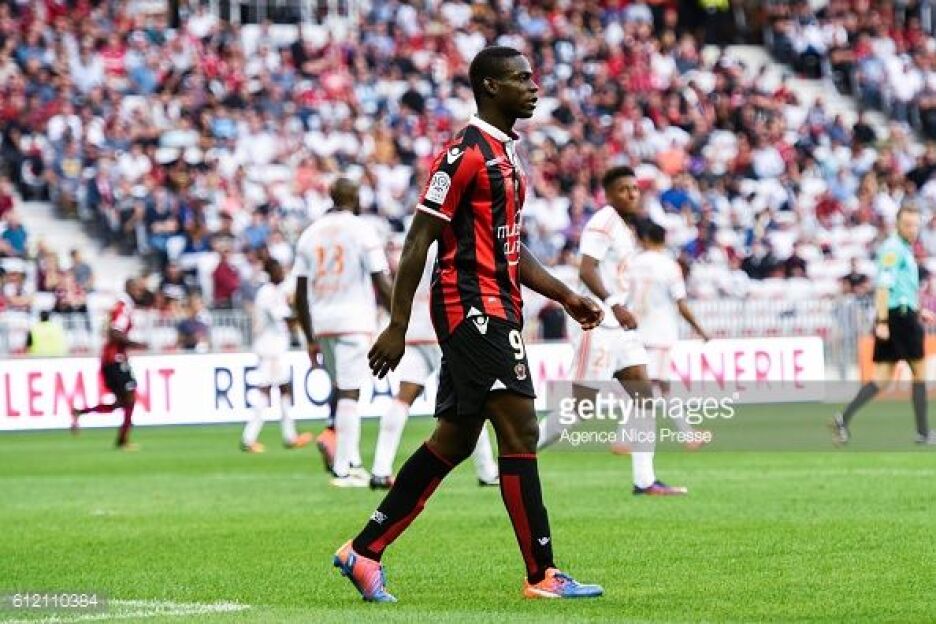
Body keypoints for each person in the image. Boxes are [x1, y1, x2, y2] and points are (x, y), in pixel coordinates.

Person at [333, 46, 605, 602]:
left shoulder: (505, 155)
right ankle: (543, 573)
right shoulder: (463, 155)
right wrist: (397, 324)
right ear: (489, 86)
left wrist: (566, 295)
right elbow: (419, 238)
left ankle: (364, 551)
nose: (533, 87)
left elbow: (509, 248)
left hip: (496, 305)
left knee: (454, 440)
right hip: (474, 309)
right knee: (521, 430)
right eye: (521, 78)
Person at [538, 167, 688, 495]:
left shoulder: (624, 227)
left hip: (619, 328)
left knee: (644, 396)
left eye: (635, 188)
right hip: (596, 322)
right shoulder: (603, 222)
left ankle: (644, 480)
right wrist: (615, 304)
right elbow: (586, 269)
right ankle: (517, 455)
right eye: (623, 189)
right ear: (607, 195)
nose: (632, 194)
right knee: (580, 408)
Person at [370, 241, 499, 489]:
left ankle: (380, 469)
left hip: (413, 328)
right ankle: (487, 470)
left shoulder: (412, 241)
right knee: (470, 399)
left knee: (403, 398)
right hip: (445, 327)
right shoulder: (453, 240)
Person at [295, 177, 393, 487]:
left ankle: (348, 462)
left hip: (322, 322)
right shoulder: (363, 230)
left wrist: (309, 336)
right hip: (353, 319)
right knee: (351, 392)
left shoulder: (310, 233)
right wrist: (399, 318)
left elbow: (300, 292)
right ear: (356, 198)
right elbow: (380, 280)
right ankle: (345, 467)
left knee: (341, 388)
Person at [833, 206, 936, 445]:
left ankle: (843, 419)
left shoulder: (904, 249)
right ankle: (923, 432)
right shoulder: (893, 249)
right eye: (908, 224)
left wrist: (918, 310)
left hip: (901, 314)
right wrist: (881, 321)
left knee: (882, 377)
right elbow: (883, 287)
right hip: (899, 320)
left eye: (915, 225)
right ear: (898, 224)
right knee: (919, 372)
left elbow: (901, 289)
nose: (912, 229)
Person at [629, 221, 710, 447]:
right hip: (659, 333)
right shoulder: (668, 266)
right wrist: (700, 330)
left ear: (644, 238)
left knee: (652, 386)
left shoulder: (632, 263)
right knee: (654, 386)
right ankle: (625, 438)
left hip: (635, 331)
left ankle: (687, 434)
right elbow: (680, 303)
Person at [241, 259, 313, 453]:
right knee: (266, 391)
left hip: (274, 348)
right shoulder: (268, 293)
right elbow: (284, 317)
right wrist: (305, 314)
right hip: (269, 349)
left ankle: (289, 435)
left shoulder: (274, 291)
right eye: (278, 271)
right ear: (271, 273)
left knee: (283, 389)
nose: (282, 273)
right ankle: (249, 438)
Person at [71, 279, 148, 449]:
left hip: (112, 359)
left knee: (122, 402)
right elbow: (115, 332)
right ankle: (123, 440)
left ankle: (80, 412)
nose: (140, 292)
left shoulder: (121, 306)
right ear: (129, 289)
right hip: (114, 359)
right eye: (137, 289)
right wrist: (136, 344)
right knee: (130, 398)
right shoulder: (123, 307)